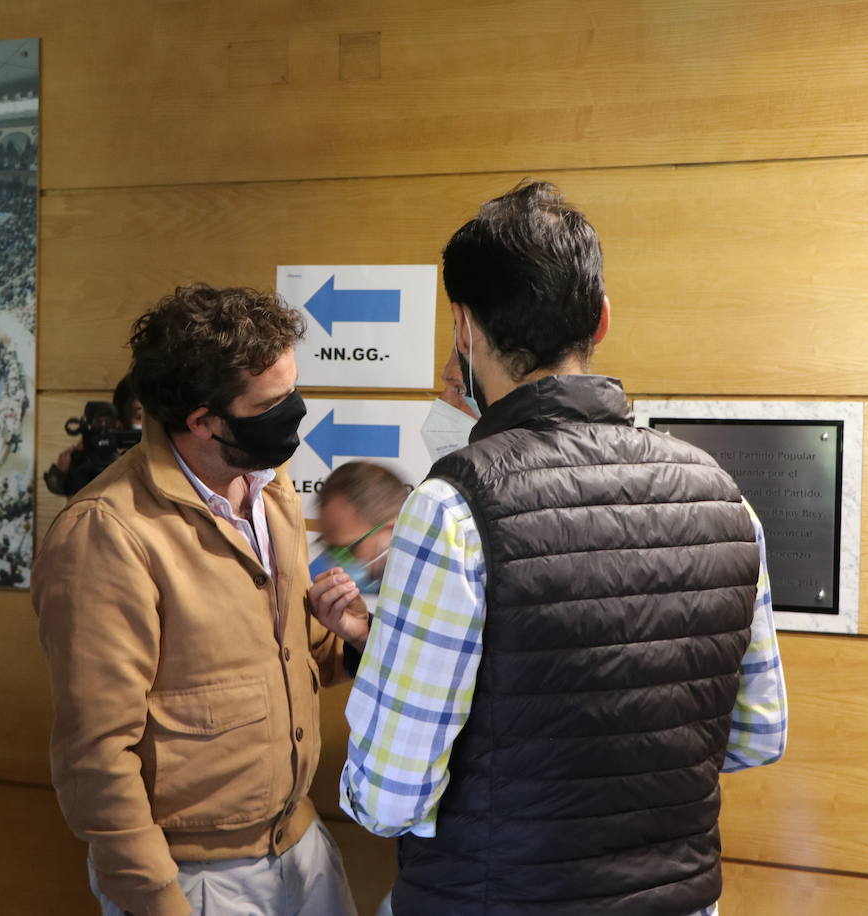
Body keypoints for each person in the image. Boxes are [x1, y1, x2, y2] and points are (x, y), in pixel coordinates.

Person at [312, 181, 787, 915]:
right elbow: (757, 735)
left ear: (464, 330)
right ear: (601, 318)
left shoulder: (454, 508)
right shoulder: (725, 495)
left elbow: (387, 795)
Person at [32, 284, 358, 916]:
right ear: (202, 420)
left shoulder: (270, 487)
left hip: (302, 846)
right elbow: (96, 756)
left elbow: (290, 661)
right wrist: (159, 901)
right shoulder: (107, 533)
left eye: (293, 390)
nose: (294, 413)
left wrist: (352, 638)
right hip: (196, 882)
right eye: (272, 404)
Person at [309, 461, 408, 595]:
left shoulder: (434, 595)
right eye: (330, 548)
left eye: (349, 550)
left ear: (392, 531)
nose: (337, 566)